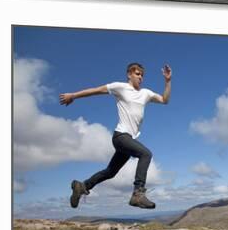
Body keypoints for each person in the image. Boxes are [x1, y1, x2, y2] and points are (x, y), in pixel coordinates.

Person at [59, 62, 172, 209]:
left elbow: (165, 100)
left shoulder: (146, 93)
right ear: (129, 75)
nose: (140, 77)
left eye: (142, 75)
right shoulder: (120, 87)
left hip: (129, 139)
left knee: (111, 172)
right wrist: (73, 95)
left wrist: (168, 81)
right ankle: (138, 194)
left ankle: (82, 186)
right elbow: (96, 90)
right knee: (146, 154)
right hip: (121, 136)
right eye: (137, 74)